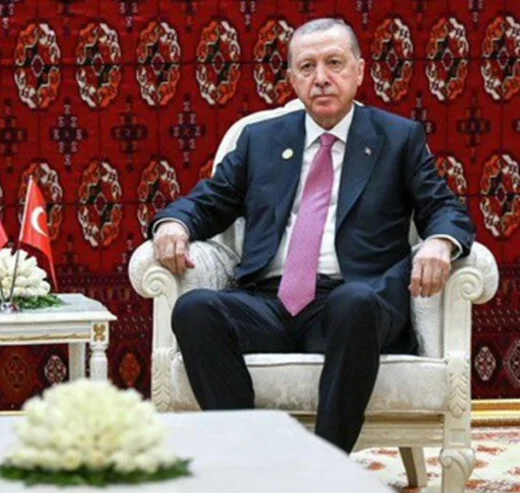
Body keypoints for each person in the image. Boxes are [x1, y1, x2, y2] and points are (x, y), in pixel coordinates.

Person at [151, 18, 475, 454]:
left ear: (359, 71)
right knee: (194, 309)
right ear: (292, 79)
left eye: (334, 63)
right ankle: (248, 458)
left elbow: (446, 208)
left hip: (355, 305)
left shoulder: (398, 139)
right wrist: (174, 224)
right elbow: (209, 201)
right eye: (307, 67)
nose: (321, 78)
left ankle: (325, 466)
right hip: (269, 303)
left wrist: (439, 242)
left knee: (353, 302)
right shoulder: (260, 140)